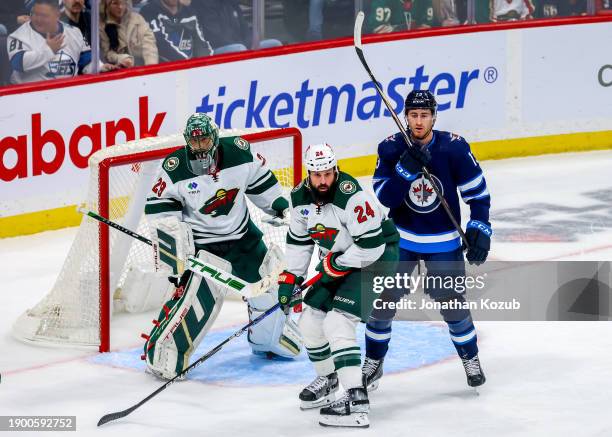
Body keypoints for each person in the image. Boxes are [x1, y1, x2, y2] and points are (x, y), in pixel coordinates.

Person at [142, 113, 302, 380]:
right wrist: (173, 240)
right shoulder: (174, 167)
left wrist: (281, 207)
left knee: (268, 291)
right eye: (194, 142)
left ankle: (266, 340)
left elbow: (262, 184)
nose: (200, 146)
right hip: (204, 249)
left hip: (244, 240)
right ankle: (161, 353)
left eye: (204, 139)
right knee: (195, 304)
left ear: (214, 138)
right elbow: (160, 210)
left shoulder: (239, 153)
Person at [362, 90, 491, 391]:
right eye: (413, 115)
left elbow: (478, 193)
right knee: (381, 304)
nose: (419, 121)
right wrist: (404, 170)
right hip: (403, 240)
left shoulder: (454, 149)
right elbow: (385, 198)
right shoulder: (391, 148)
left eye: (424, 115)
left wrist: (480, 226)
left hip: (443, 241)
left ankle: (470, 359)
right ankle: (373, 361)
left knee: (453, 305)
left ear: (434, 116)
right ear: (405, 116)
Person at [277, 143, 399, 427]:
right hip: (341, 258)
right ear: (309, 174)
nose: (323, 180)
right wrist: (289, 280)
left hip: (376, 258)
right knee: (309, 321)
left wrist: (337, 264)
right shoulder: (299, 198)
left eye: (328, 174)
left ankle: (357, 402)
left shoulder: (351, 197)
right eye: (317, 175)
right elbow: (298, 243)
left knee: (337, 322)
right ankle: (330, 378)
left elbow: (371, 247)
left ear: (336, 170)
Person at [7, 0, 113, 84]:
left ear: (57, 15)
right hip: (31, 97)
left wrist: (101, 67)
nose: (38, 19)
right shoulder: (18, 36)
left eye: (44, 16)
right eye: (35, 14)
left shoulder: (75, 32)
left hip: (68, 92)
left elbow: (86, 59)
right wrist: (49, 51)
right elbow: (18, 63)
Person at [192, 0, 281, 54]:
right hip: (215, 50)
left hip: (240, 45)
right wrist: (243, 45)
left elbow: (245, 29)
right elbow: (215, 37)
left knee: (275, 44)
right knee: (239, 49)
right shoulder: (204, 4)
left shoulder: (231, 3)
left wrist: (249, 44)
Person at [140, 0, 212, 62]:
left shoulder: (190, 11)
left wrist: (205, 63)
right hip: (166, 69)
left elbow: (201, 43)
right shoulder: (149, 11)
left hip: (192, 67)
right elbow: (161, 44)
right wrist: (187, 64)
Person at [100, 0, 158, 67]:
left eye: (123, 2)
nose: (120, 7)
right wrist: (122, 58)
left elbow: (149, 44)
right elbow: (107, 53)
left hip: (143, 66)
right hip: (120, 69)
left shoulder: (137, 18)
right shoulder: (102, 26)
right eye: (115, 3)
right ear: (107, 5)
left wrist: (150, 66)